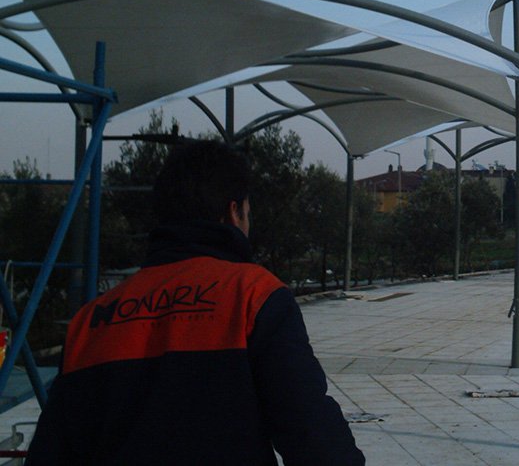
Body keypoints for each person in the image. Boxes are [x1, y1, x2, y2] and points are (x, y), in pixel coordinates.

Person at [26, 140, 365, 465]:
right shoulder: (254, 296)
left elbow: (53, 451)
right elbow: (312, 436)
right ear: (234, 212)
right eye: (247, 213)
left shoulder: (91, 321)